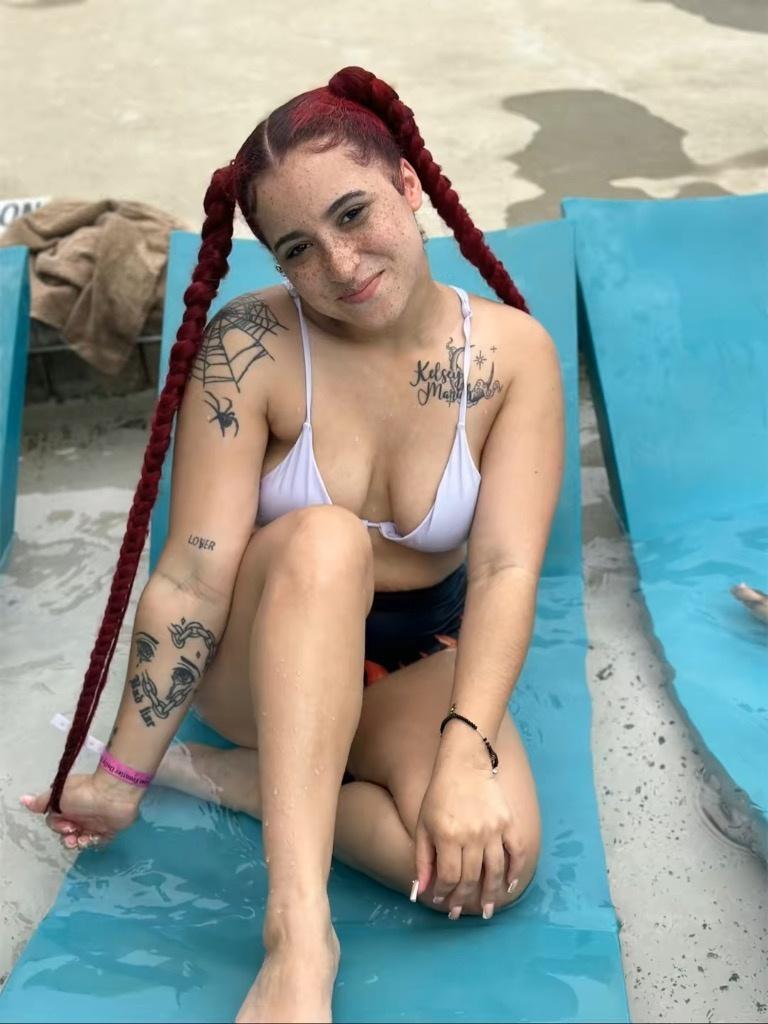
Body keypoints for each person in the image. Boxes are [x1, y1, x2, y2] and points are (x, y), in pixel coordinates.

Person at [21, 67, 565, 1023]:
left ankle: (239, 782)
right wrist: (122, 774)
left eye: (355, 214)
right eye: (300, 249)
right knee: (324, 541)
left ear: (406, 184)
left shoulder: (514, 355)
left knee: (490, 866)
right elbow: (193, 578)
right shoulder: (253, 349)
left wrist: (464, 751)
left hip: (409, 661)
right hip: (261, 659)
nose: (342, 265)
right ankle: (298, 931)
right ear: (274, 261)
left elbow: (506, 568)